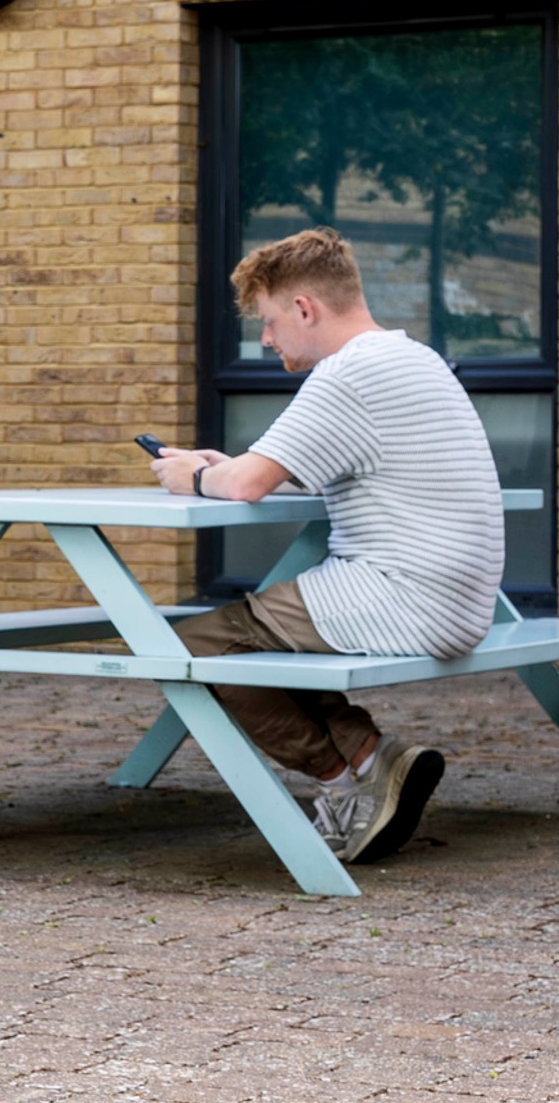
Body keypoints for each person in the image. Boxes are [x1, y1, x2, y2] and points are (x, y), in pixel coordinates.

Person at [150, 225, 500, 861]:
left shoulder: (347, 374)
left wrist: (194, 476)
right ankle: (370, 756)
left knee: (194, 644)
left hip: (405, 598)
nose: (265, 339)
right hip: (461, 600)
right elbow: (285, 469)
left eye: (270, 321)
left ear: (305, 309)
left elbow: (252, 484)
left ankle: (343, 782)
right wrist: (227, 469)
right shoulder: (411, 357)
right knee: (260, 638)